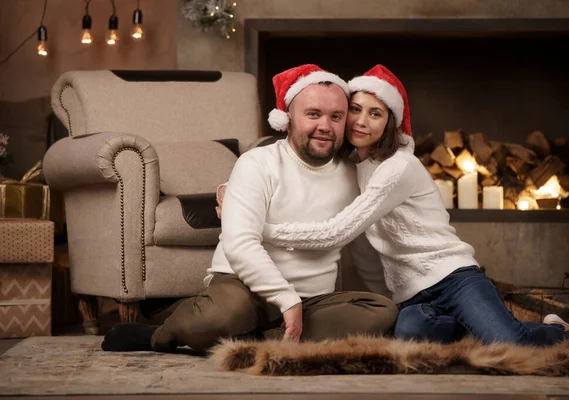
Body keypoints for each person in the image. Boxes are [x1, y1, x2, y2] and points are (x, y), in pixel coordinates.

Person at [257, 64, 569, 346]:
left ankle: (558, 332)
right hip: (413, 295)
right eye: (355, 109)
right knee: (411, 334)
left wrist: (261, 228)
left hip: (455, 278)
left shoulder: (399, 167)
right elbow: (293, 163)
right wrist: (241, 186)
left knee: (511, 343)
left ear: (389, 123)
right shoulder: (353, 164)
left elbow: (337, 231)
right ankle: (476, 327)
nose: (361, 121)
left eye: (376, 114)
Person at [101, 64, 398, 353]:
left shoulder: (353, 174)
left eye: (336, 116)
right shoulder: (258, 163)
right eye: (313, 114)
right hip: (244, 287)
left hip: (312, 299)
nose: (325, 126)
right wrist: (285, 298)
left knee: (381, 312)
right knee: (224, 314)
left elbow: (362, 244)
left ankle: (251, 338)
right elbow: (240, 244)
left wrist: (389, 297)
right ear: (288, 118)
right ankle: (160, 335)